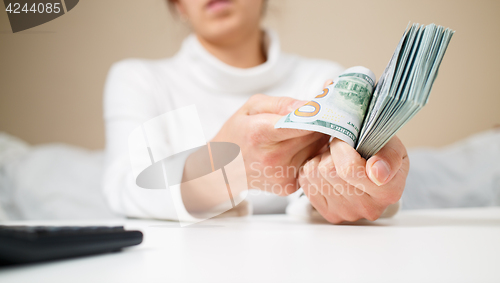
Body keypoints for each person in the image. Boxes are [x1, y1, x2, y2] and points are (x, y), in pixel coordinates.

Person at [102, 0, 408, 223]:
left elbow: (347, 191)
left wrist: (366, 180)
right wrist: (227, 168)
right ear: (178, 6)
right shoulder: (139, 79)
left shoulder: (325, 79)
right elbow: (126, 187)